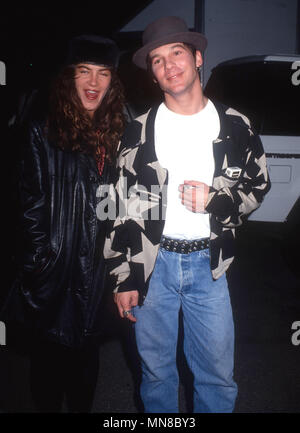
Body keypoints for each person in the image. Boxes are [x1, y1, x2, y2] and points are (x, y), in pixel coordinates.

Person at [103, 16, 271, 413]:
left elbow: (257, 188)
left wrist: (216, 199)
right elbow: (114, 205)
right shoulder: (137, 132)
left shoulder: (235, 126)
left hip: (208, 268)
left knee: (216, 377)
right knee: (156, 373)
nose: (168, 66)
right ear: (153, 74)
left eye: (176, 53)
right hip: (152, 267)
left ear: (197, 58)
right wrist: (121, 277)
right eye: (157, 60)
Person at [1, 34, 125, 412]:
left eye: (103, 74)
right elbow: (29, 204)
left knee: (87, 362)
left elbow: (120, 203)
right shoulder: (44, 130)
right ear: (69, 77)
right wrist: (40, 261)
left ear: (112, 81)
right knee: (49, 365)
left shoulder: (118, 131)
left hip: (98, 271)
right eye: (84, 71)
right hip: (55, 270)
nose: (93, 83)